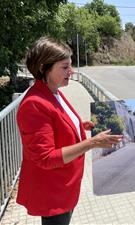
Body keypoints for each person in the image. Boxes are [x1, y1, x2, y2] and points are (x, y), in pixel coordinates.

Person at [16, 37, 123, 225]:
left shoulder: (53, 91)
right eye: (65, 67)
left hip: (65, 186)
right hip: (54, 193)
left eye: (70, 66)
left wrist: (80, 126)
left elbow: (55, 125)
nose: (71, 72)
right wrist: (93, 142)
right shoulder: (33, 104)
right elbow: (45, 158)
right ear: (43, 68)